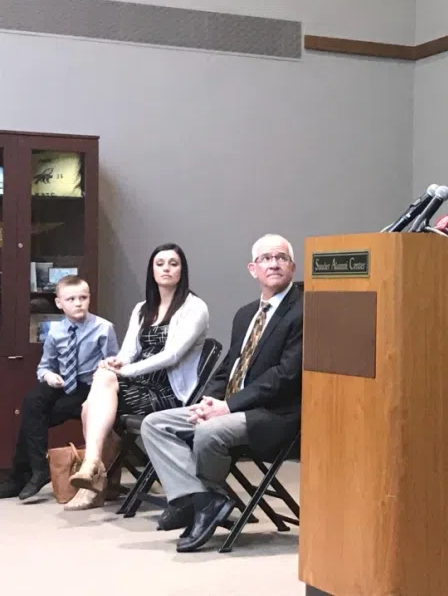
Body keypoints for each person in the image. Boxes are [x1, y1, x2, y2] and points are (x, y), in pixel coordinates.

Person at [140, 234, 303, 553]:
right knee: (155, 424)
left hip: (275, 414)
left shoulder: (304, 311)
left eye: (281, 257)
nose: (273, 263)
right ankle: (208, 499)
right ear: (252, 269)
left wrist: (227, 407)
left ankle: (204, 503)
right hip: (231, 405)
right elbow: (231, 363)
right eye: (266, 258)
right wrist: (207, 402)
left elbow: (285, 376)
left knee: (208, 433)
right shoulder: (246, 313)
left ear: (292, 267)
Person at [66, 243, 209, 510]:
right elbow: (129, 351)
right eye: (160, 263)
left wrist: (126, 371)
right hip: (139, 383)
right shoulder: (143, 308)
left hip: (168, 391)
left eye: (173, 263)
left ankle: (94, 472)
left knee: (91, 406)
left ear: (182, 270)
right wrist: (116, 362)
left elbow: (172, 355)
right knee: (102, 381)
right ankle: (95, 469)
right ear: (152, 271)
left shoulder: (195, 307)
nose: (166, 268)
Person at [0, 276, 119, 501]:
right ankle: (37, 469)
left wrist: (108, 367)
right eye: (71, 299)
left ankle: (22, 475)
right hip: (64, 383)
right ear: (59, 303)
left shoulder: (103, 328)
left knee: (33, 418)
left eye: (83, 298)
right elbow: (45, 365)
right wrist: (48, 375)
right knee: (32, 401)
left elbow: (115, 366)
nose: (78, 303)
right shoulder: (56, 331)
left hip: (89, 387)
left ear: (89, 299)